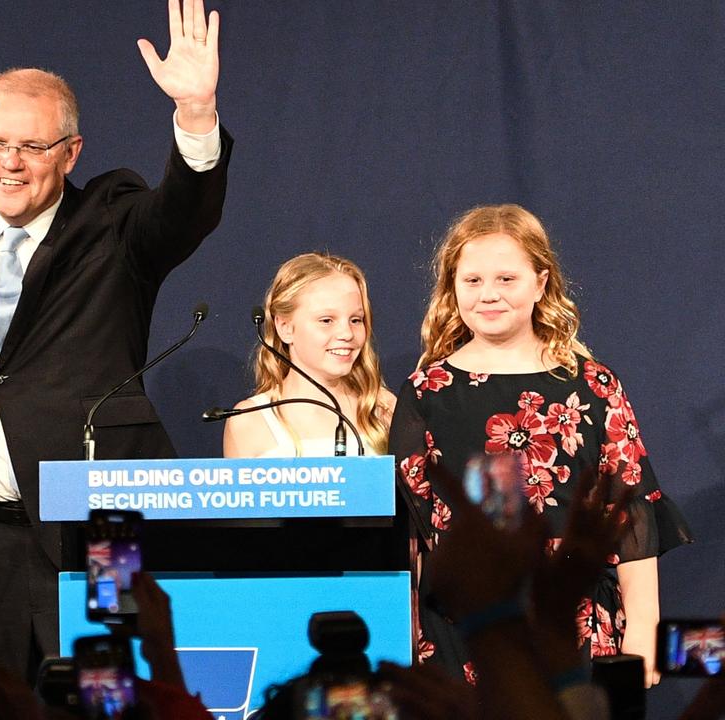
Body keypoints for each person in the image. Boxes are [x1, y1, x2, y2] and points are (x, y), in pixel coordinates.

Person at [0, 0, 231, 680]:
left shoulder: (111, 220)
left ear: (72, 151)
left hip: (100, 539)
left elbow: (183, 213)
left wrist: (196, 114)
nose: (10, 164)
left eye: (32, 146)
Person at [388, 203, 693, 688]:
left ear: (541, 282)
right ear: (453, 288)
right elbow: (414, 531)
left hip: (577, 624)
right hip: (462, 633)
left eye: (506, 279)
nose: (489, 295)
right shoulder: (427, 392)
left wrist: (645, 629)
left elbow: (629, 510)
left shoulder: (592, 385)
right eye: (472, 281)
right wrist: (400, 638)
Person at [223, 252, 395, 458]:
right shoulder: (249, 420)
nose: (347, 334)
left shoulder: (381, 408)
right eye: (326, 320)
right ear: (285, 327)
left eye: (356, 320)